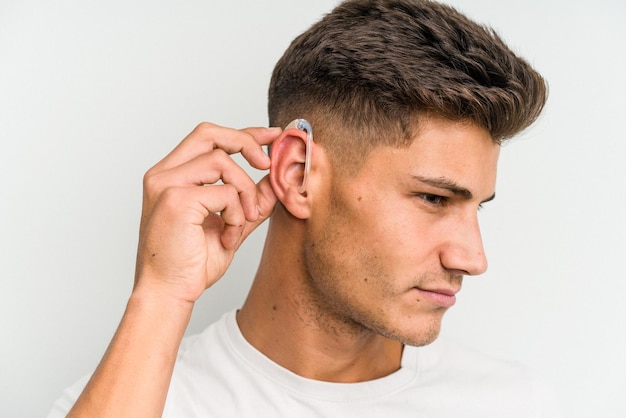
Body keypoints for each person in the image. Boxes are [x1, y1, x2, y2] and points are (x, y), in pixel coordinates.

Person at [49, 0, 559, 416]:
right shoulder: (137, 402)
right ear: (296, 176)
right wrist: (161, 296)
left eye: (477, 207)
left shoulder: (514, 404)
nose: (472, 258)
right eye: (434, 198)